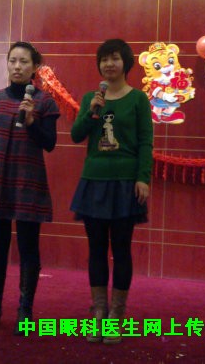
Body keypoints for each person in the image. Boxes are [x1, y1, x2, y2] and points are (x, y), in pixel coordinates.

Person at [70, 38, 154, 344]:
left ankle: (116, 315)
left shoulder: (139, 99)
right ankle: (98, 312)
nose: (109, 64)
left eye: (115, 58)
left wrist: (143, 178)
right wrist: (91, 111)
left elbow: (145, 141)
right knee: (96, 249)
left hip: (124, 182)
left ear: (125, 63)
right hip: (94, 180)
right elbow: (76, 135)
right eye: (104, 59)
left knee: (120, 249)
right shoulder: (91, 98)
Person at [0, 42, 60, 335]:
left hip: (28, 180)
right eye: (13, 61)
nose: (17, 66)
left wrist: (32, 121)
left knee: (28, 247)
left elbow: (49, 143)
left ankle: (25, 310)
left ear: (35, 67)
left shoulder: (45, 102)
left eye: (24, 61)